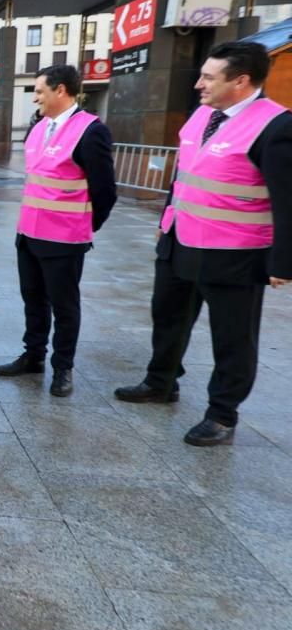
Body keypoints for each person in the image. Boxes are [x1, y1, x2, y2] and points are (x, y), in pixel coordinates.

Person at [114, 42, 292, 446]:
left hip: (236, 254)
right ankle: (161, 382)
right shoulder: (201, 117)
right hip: (181, 241)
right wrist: (166, 220)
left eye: (210, 77)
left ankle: (222, 413)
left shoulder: (276, 126)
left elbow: (288, 199)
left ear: (241, 81)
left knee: (232, 336)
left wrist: (283, 262)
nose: (199, 84)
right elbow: (183, 178)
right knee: (168, 316)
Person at [0, 64, 116, 397]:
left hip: (64, 239)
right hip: (29, 234)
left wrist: (84, 226)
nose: (36, 98)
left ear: (61, 90)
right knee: (33, 299)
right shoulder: (39, 127)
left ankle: (63, 367)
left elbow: (105, 191)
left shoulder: (91, 131)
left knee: (64, 305)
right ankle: (33, 355)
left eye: (40, 91)